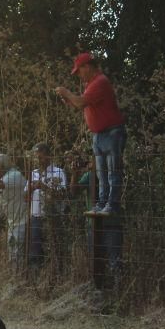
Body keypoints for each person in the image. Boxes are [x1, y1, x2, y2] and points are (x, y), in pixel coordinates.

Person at [55, 52, 126, 216]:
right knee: (101, 173)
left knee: (112, 171)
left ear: (87, 67)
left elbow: (80, 102)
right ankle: (102, 204)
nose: (78, 75)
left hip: (111, 132)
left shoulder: (100, 82)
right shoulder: (92, 84)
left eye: (79, 71)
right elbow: (82, 104)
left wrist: (67, 93)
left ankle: (112, 204)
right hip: (99, 134)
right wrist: (69, 100)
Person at [27, 143, 67, 268]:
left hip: (52, 216)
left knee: (55, 248)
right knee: (35, 250)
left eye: (41, 157)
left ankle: (56, 276)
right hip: (36, 217)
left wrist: (43, 187)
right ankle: (37, 278)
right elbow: (25, 198)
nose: (38, 160)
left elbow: (62, 195)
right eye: (36, 157)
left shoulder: (58, 172)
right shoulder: (33, 173)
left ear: (49, 156)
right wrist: (30, 188)